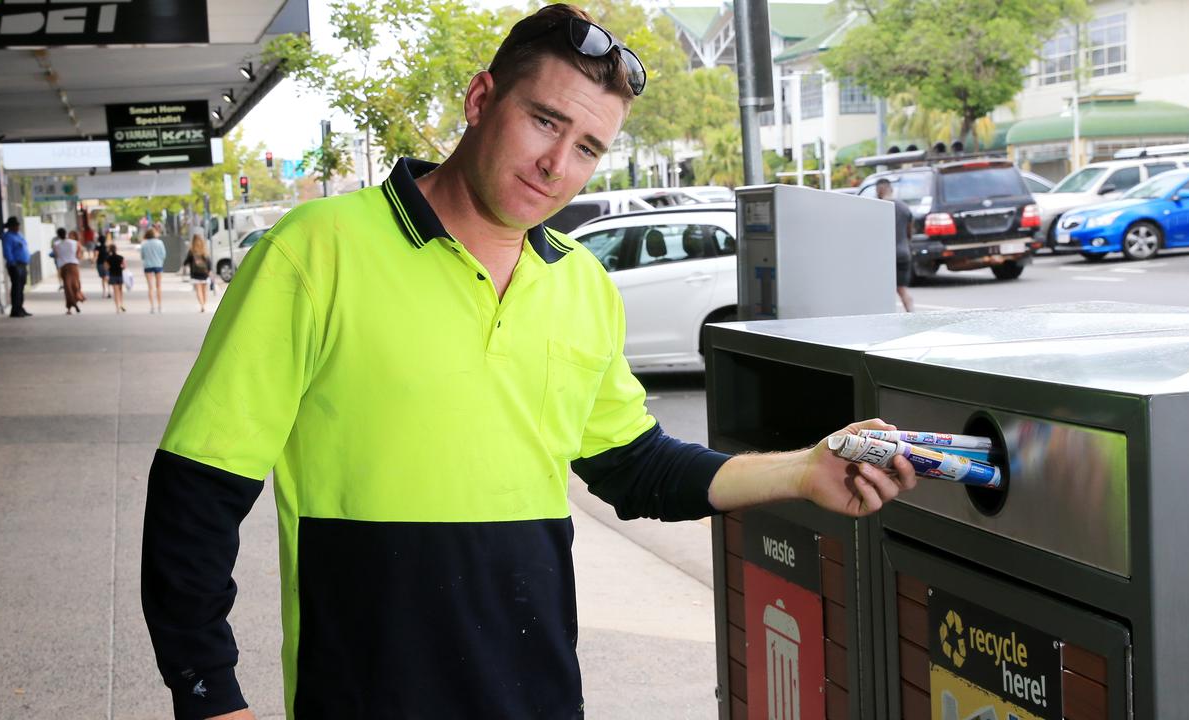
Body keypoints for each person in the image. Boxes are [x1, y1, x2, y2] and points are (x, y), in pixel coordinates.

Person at [140, 6, 917, 719]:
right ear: (482, 100)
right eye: (544, 121)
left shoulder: (581, 281)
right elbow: (197, 492)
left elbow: (635, 466)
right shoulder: (316, 250)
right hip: (365, 694)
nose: (557, 165)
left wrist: (805, 471)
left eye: (587, 148)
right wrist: (209, 693)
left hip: (538, 695)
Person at [876, 178, 914, 312]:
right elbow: (910, 233)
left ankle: (885, 319)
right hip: (904, 253)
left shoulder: (878, 208)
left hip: (886, 255)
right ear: (891, 189)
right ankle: (912, 315)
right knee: (902, 289)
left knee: (881, 290)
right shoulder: (904, 207)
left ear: (879, 191)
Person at [0, 217, 31, 317]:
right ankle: (15, 310)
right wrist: (12, 262)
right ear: (11, 227)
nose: (18, 227)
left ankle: (20, 307)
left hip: (22, 264)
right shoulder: (8, 237)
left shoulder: (19, 235)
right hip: (15, 265)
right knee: (16, 287)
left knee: (21, 287)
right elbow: (7, 251)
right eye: (16, 225)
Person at [57, 229, 85, 314]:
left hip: (64, 267)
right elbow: (79, 255)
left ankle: (70, 305)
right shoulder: (75, 243)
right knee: (75, 285)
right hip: (73, 266)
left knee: (67, 287)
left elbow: (56, 255)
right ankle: (75, 301)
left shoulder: (56, 244)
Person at [181, 234, 211, 312]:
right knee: (205, 291)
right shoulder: (204, 250)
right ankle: (204, 304)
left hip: (195, 274)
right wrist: (209, 271)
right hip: (205, 273)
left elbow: (186, 261)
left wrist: (184, 266)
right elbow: (208, 262)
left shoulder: (192, 251)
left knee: (199, 290)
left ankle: (202, 305)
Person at [140, 228, 167, 314]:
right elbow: (163, 255)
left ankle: (152, 307)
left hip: (148, 266)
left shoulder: (144, 244)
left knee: (150, 287)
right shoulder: (160, 243)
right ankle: (160, 306)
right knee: (158, 286)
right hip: (158, 265)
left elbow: (142, 256)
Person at [106, 243, 126, 312]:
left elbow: (106, 267)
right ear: (116, 249)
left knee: (115, 292)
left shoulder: (108, 258)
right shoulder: (121, 257)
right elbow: (124, 266)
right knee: (120, 291)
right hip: (119, 275)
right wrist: (121, 268)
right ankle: (121, 304)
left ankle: (117, 307)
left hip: (112, 276)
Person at [95, 231, 111, 297]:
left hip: (100, 263)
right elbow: (110, 255)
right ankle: (109, 291)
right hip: (107, 264)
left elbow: (96, 255)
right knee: (107, 277)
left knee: (103, 278)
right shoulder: (107, 247)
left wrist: (93, 262)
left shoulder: (97, 247)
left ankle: (104, 292)